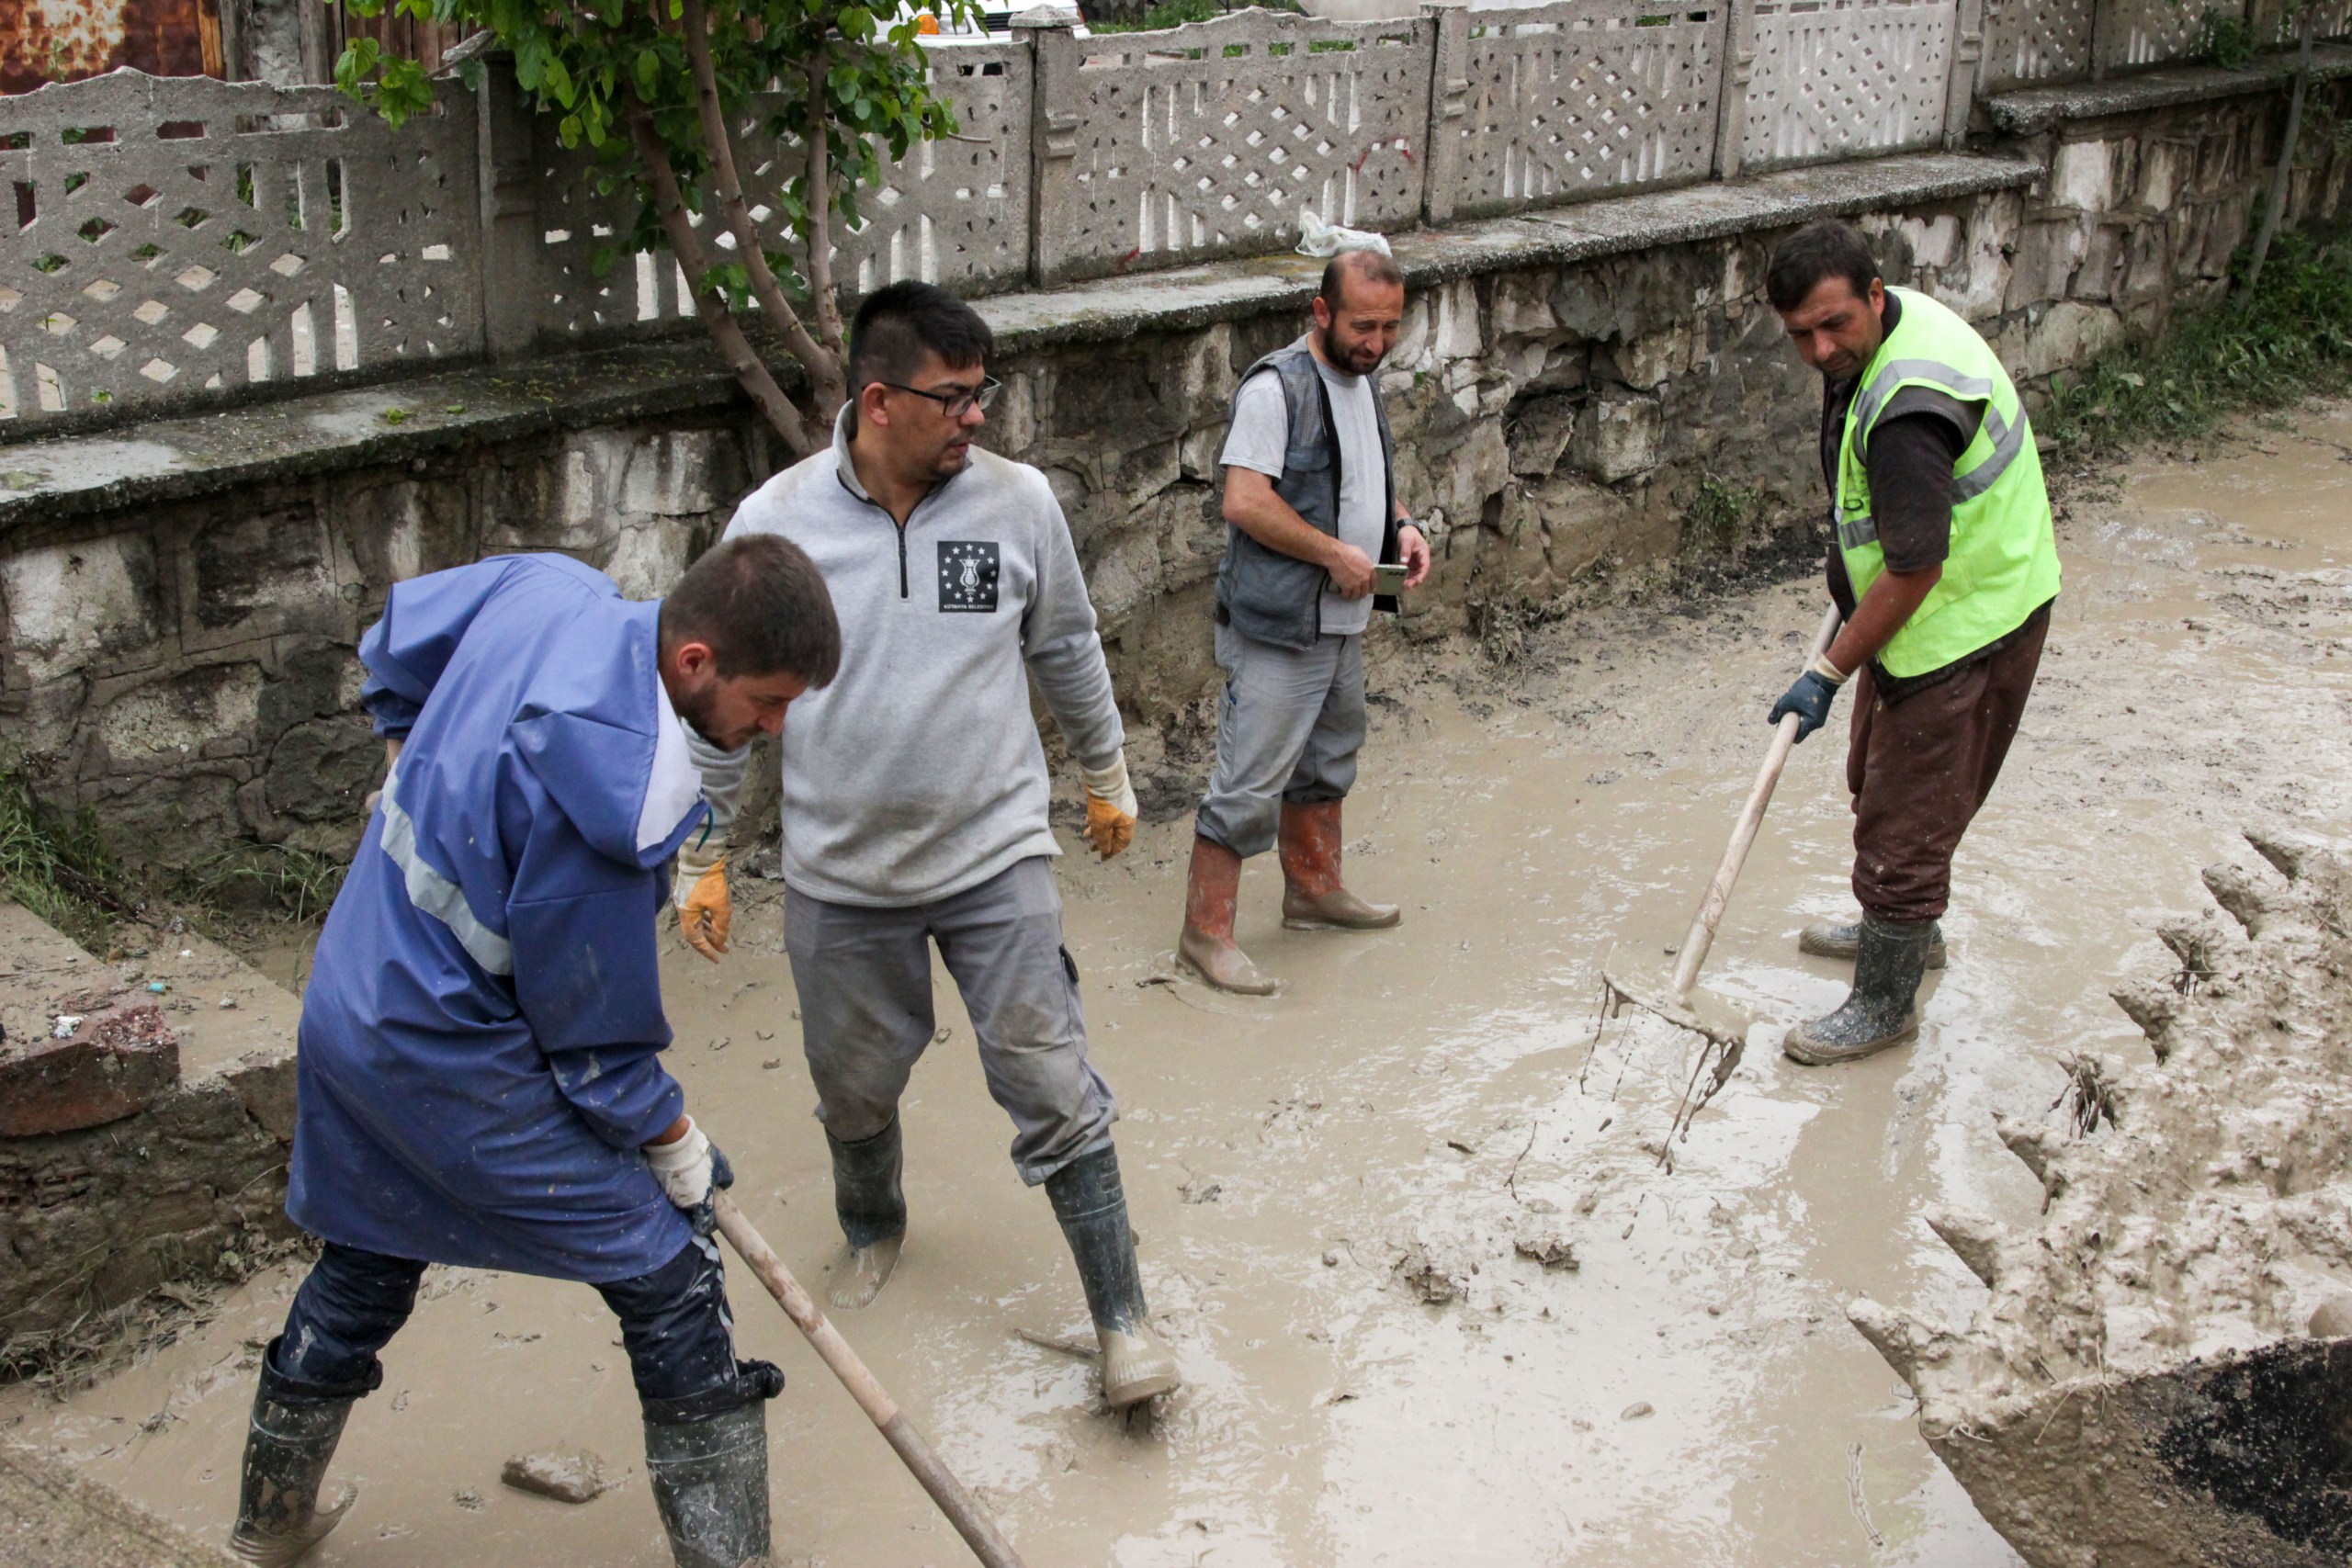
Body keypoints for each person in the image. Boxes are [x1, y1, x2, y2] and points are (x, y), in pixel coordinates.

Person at [227, 537, 842, 1568]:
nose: (772, 732)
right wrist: (677, 1139)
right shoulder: (608, 793)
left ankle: (266, 1529)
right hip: (443, 1050)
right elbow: (596, 1059)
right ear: (695, 662)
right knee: (669, 1270)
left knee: (372, 1250)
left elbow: (393, 645)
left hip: (354, 987)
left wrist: (403, 756)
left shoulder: (547, 589)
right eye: (768, 704)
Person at [681, 280, 1180, 1410]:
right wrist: (698, 850)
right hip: (839, 871)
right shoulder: (775, 524)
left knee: (1051, 1082)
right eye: (953, 398)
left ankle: (1123, 1322)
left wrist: (1105, 772)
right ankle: (873, 1229)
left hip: (995, 850)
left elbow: (1064, 646)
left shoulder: (1018, 504)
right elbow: (721, 710)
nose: (976, 419)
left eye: (982, 394)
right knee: (852, 1087)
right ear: (877, 401)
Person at [1763, 220, 2060, 1066]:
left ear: (1874, 296)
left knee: (1907, 817)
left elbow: (1916, 568)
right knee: (1877, 777)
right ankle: (1900, 928)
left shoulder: (1908, 411)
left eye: (1835, 326)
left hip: (1969, 617)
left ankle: (1886, 1001)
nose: (1821, 348)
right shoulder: (1885, 334)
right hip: (1939, 603)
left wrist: (1825, 670)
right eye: (1801, 336)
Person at [1177, 248, 1433, 995]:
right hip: (1280, 622)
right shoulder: (1276, 386)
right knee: (1250, 776)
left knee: (1327, 759)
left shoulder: (1360, 379)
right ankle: (1205, 933)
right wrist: (1332, 555)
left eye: (1389, 327)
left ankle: (1314, 893)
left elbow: (1362, 480)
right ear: (1321, 312)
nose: (1377, 342)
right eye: (1363, 325)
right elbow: (1244, 501)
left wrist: (1404, 525)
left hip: (1340, 618)